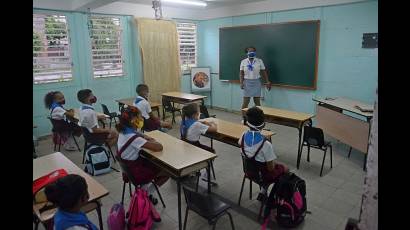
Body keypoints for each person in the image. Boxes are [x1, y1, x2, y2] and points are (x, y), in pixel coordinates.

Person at [116, 106, 169, 204]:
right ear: (133, 120)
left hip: (127, 170)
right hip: (136, 173)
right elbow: (159, 147)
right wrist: (152, 140)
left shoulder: (123, 132)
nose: (141, 119)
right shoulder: (134, 138)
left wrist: (144, 136)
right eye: (139, 117)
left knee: (152, 160)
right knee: (166, 172)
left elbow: (136, 134)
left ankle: (144, 190)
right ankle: (146, 193)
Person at [239, 106, 288, 200]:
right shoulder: (266, 144)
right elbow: (271, 168)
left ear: (247, 123)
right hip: (262, 176)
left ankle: (263, 191)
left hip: (248, 172)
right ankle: (274, 198)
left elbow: (246, 147)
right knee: (285, 169)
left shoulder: (243, 136)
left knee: (262, 163)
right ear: (263, 125)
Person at [180, 103, 217, 182]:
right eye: (199, 113)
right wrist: (213, 124)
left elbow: (196, 122)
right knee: (212, 152)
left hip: (185, 146)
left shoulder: (184, 121)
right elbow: (214, 129)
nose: (200, 114)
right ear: (195, 115)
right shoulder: (196, 125)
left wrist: (201, 122)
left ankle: (193, 171)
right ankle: (206, 175)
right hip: (194, 147)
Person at [239, 46, 272, 119]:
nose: (251, 52)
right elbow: (241, 73)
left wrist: (267, 81)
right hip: (247, 82)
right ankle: (244, 118)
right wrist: (241, 82)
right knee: (245, 102)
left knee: (257, 103)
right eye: (249, 51)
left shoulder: (259, 61)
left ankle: (258, 117)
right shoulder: (243, 61)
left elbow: (264, 72)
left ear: (255, 52)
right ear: (246, 53)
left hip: (257, 82)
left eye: (253, 51)